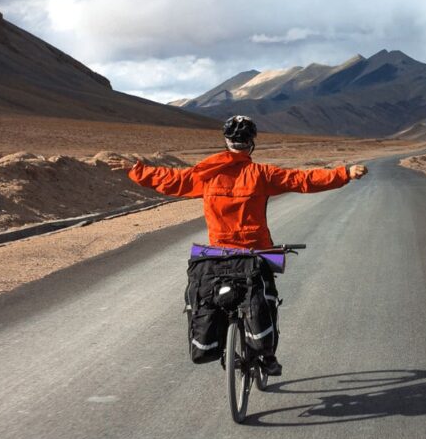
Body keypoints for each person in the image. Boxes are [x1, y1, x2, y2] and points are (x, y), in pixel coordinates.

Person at [108, 115, 367, 375]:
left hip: (218, 253)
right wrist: (344, 173)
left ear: (227, 141)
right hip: (257, 251)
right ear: (251, 143)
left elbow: (171, 180)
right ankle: (267, 357)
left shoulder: (207, 174)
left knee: (215, 298)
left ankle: (222, 343)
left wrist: (136, 169)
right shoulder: (262, 174)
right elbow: (303, 180)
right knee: (268, 299)